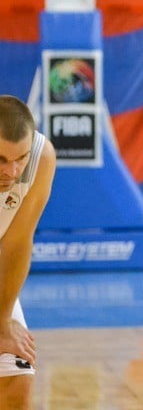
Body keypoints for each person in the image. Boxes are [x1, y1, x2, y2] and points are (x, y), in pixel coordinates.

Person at [0, 96, 56, 410]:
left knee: (16, 381)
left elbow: (17, 242)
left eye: (19, 158)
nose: (12, 171)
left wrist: (2, 321)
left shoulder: (41, 158)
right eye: (1, 159)